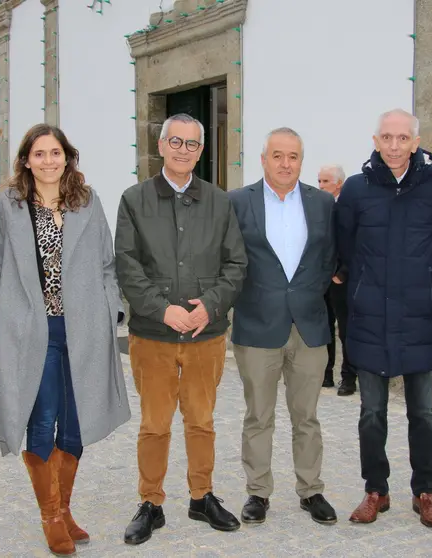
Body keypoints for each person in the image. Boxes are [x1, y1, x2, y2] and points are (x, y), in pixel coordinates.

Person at [0, 124, 131, 556]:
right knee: (41, 417)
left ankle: (64, 508)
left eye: (56, 153)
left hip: (82, 327)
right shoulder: (8, 207)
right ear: (26, 160)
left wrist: (110, 311)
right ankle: (49, 516)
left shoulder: (87, 202)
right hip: (33, 331)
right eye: (39, 154)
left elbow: (107, 264)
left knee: (75, 421)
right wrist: (7, 313)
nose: (48, 161)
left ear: (67, 157)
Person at [115, 113, 247, 545]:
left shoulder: (219, 201)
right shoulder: (134, 200)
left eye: (192, 144)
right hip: (153, 335)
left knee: (202, 420)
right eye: (176, 142)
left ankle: (201, 495)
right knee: (154, 423)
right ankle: (151, 502)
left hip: (204, 337)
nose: (183, 150)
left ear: (201, 150)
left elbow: (236, 264)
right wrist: (162, 309)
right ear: (162, 145)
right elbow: (127, 265)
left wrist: (209, 306)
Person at [335, 109, 432, 529]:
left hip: (419, 318)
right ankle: (376, 490)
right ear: (375, 140)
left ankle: (424, 492)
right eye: (386, 138)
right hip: (370, 317)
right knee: (371, 412)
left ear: (415, 141)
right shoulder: (356, 190)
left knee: (422, 413)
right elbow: (345, 247)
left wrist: (427, 281)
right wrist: (362, 288)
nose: (394, 146)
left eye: (402, 138)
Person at [228, 127, 338, 526]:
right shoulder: (238, 202)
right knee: (259, 415)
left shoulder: (323, 203)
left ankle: (311, 490)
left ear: (301, 161)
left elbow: (330, 256)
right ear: (264, 159)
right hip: (257, 326)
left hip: (309, 325)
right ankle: (258, 492)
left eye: (293, 156)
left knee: (306, 416)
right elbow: (229, 259)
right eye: (277, 155)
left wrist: (310, 292)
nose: (285, 164)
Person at [317, 164, 356, 395]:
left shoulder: (348, 208)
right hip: (321, 278)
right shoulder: (318, 207)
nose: (320, 186)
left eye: (325, 182)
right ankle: (326, 374)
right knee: (324, 327)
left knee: (346, 329)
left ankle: (349, 378)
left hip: (341, 279)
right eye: (319, 181)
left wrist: (342, 273)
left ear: (339, 183)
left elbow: (354, 243)